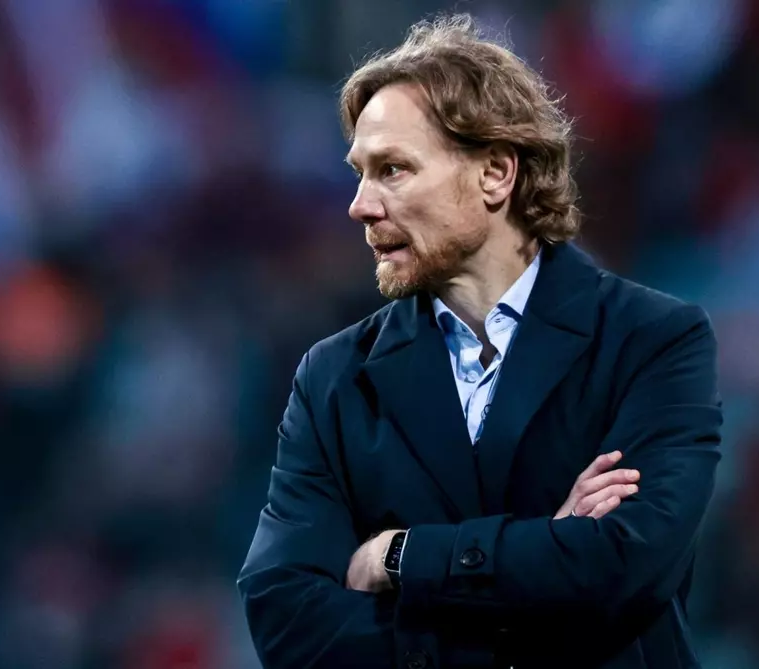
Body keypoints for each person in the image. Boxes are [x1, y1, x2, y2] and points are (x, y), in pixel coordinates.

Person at [238, 13, 722, 669]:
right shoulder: (333, 377)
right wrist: (543, 558)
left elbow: (623, 567)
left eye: (392, 170)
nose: (360, 205)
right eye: (360, 173)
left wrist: (401, 556)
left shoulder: (653, 340)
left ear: (495, 173)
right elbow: (287, 620)